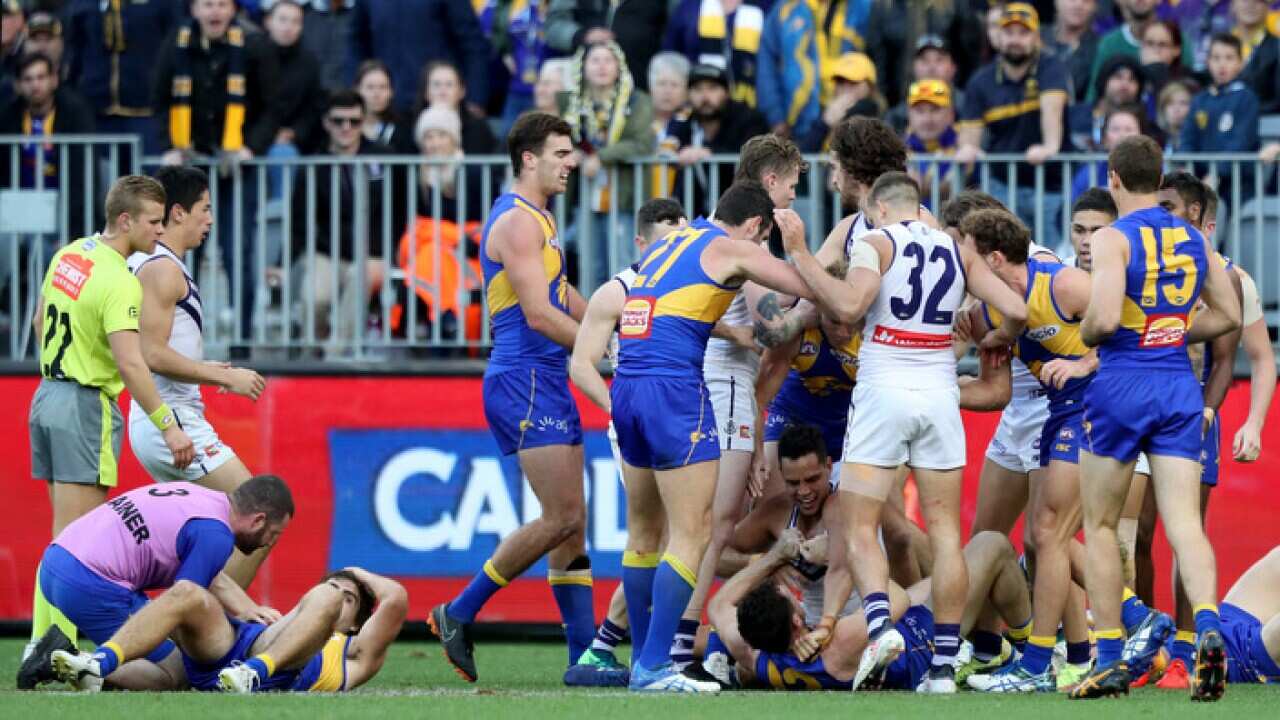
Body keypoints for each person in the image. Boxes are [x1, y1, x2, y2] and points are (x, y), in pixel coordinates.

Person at [780, 171, 1027, 694]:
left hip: (885, 385)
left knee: (859, 524)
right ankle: (941, 667)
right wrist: (991, 339)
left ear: (879, 208)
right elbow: (1018, 309)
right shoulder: (957, 251)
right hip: (939, 388)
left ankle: (877, 629)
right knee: (944, 533)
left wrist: (800, 252)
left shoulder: (875, 242)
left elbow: (847, 307)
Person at [609, 181, 814, 692]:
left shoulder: (672, 240)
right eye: (760, 238)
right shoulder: (731, 247)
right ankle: (656, 667)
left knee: (642, 535)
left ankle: (642, 661)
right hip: (673, 388)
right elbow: (805, 285)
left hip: (626, 383)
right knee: (693, 532)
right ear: (754, 227)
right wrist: (804, 248)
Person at [429, 113, 597, 685]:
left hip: (546, 375)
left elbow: (562, 295)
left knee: (575, 526)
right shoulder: (519, 224)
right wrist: (607, 352)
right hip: (525, 377)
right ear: (529, 158)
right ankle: (458, 611)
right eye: (560, 153)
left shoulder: (542, 218)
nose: (570, 162)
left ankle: (583, 660)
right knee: (562, 516)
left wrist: (611, 318)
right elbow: (538, 313)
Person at [1070, 134, 1240, 700]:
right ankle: (1208, 629)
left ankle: (1111, 658)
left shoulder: (1114, 239)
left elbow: (1096, 322)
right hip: (1176, 383)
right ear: (1158, 177)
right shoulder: (1192, 236)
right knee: (1185, 523)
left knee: (1098, 524)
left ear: (1113, 178)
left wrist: (1106, 329)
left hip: (1122, 381)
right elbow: (1229, 312)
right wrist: (1170, 329)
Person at [18, 175, 196, 685]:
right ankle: (46, 648)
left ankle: (44, 642)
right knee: (75, 545)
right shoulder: (120, 280)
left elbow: (37, 321)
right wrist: (169, 427)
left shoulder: (70, 255)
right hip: (85, 403)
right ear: (126, 221)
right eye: (154, 222)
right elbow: (133, 364)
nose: (161, 233)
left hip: (47, 394)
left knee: (62, 537)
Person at [957, 208, 1113, 693]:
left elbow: (1129, 326)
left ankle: (1044, 660)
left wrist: (1084, 364)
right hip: (1055, 414)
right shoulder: (993, 310)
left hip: (1094, 405)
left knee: (1051, 535)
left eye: (971, 264)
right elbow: (991, 386)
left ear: (996, 260)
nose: (966, 275)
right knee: (1045, 539)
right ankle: (1054, 654)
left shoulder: (1061, 284)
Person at [672, 135, 808, 672]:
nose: (795, 197)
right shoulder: (747, 242)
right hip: (725, 385)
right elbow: (773, 328)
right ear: (769, 182)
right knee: (716, 524)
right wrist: (824, 297)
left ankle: (677, 639)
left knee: (695, 524)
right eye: (793, 185)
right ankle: (681, 644)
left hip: (684, 380)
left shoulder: (700, 229)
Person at [127, 165, 267, 588]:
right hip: (171, 420)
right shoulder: (162, 268)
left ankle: (196, 627)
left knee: (206, 537)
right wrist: (221, 376)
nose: (210, 219)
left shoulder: (151, 263)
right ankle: (219, 630)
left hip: (167, 418)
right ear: (177, 213)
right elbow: (149, 352)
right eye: (204, 209)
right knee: (257, 514)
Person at [568, 197, 689, 685]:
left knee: (665, 538)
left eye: (680, 239)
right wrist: (617, 410)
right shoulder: (618, 289)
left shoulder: (690, 283)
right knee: (659, 537)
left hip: (681, 416)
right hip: (641, 423)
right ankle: (639, 652)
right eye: (664, 239)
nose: (673, 249)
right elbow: (580, 364)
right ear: (641, 242)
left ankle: (612, 648)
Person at [23, 476, 293, 691]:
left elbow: (209, 575)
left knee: (155, 635)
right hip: (89, 583)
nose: (269, 543)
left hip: (54, 562)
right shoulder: (216, 535)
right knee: (176, 673)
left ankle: (86, 666)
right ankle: (62, 658)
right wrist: (223, 642)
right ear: (258, 520)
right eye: (274, 534)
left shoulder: (201, 498)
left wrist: (245, 609)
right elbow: (184, 601)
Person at [707, 529, 1033, 693]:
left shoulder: (757, 656)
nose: (796, 596)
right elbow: (897, 597)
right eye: (790, 597)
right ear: (796, 620)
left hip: (906, 622)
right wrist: (837, 555)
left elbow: (719, 605)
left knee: (957, 564)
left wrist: (774, 557)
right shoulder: (838, 644)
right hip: (925, 637)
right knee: (993, 544)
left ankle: (989, 652)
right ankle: (1030, 651)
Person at [48, 567, 405, 694]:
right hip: (234, 648)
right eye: (335, 590)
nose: (335, 598)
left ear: (357, 622)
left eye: (349, 599)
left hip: (273, 668)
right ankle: (98, 662)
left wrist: (353, 572)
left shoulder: (353, 655)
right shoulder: (296, 614)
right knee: (189, 590)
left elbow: (396, 598)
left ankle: (255, 672)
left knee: (169, 677)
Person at [153, 0, 280, 352]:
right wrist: (169, 145)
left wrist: (250, 148)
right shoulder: (175, 43)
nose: (215, 12)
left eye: (222, 4)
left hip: (236, 170)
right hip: (188, 173)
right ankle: (178, 339)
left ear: (233, 10)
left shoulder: (254, 45)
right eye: (207, 4)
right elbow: (159, 100)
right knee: (179, 252)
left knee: (238, 251)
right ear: (194, 9)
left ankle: (242, 340)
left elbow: (272, 106)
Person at [287, 90, 399, 356]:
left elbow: (397, 210)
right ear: (327, 123)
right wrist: (282, 262)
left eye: (354, 121)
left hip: (373, 252)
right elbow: (299, 218)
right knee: (314, 298)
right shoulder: (314, 163)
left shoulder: (385, 157)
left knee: (361, 279)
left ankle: (332, 357)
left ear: (363, 121)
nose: (346, 128)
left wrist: (385, 252)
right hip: (327, 251)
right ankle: (313, 352)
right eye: (339, 121)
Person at [955, 3, 1071, 252]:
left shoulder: (1051, 67)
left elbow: (1052, 109)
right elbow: (969, 139)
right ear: (998, 37)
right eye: (1009, 33)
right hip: (1001, 185)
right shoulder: (980, 81)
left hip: (1048, 185)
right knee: (1004, 256)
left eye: (1023, 33)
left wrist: (1049, 146)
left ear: (1036, 37)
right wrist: (968, 149)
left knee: (1049, 257)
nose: (1015, 40)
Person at [558, 41, 655, 286]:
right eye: (595, 60)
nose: (602, 66)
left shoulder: (637, 101)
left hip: (622, 199)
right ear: (583, 67)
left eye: (608, 60)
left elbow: (642, 143)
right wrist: (574, 153)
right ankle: (595, 323)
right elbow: (558, 140)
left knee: (622, 267)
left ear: (619, 66)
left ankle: (624, 323)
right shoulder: (569, 104)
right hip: (586, 199)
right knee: (591, 269)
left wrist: (601, 156)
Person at [62, 0, 179, 154]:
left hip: (146, 113)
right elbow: (74, 56)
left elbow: (173, 52)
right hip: (97, 113)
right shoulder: (83, 5)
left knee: (144, 176)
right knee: (103, 175)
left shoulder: (161, 4)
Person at [347, 0, 490, 117]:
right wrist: (354, 94)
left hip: (436, 102)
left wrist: (475, 98)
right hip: (386, 103)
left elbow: (472, 44)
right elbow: (355, 42)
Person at [756, 0, 870, 140]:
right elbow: (766, 67)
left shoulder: (862, 6)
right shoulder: (786, 9)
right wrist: (775, 116)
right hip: (796, 121)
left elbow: (877, 57)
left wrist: (868, 92)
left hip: (850, 115)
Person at [670, 63, 768, 216]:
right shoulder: (684, 120)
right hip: (697, 216)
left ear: (727, 93)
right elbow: (668, 149)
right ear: (688, 95)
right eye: (698, 89)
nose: (705, 97)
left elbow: (755, 154)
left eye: (712, 88)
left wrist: (710, 153)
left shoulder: (748, 118)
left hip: (744, 215)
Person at [1181, 33, 1260, 205]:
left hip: (1237, 184)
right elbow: (1188, 138)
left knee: (1216, 210)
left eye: (1229, 58)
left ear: (1241, 63)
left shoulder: (1246, 98)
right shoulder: (1199, 100)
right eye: (1216, 58)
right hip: (1200, 181)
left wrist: (1216, 173)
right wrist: (1188, 170)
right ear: (1207, 62)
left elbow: (1241, 142)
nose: (1222, 64)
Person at [545, 0, 669, 92]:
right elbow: (552, 26)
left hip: (641, 84)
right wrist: (580, 35)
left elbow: (675, 31)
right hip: (583, 87)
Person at [661, 0, 768, 107]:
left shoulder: (765, 7)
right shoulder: (689, 8)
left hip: (750, 106)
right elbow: (670, 59)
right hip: (696, 105)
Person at [1088, 0, 1192, 104]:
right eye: (1150, 43)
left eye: (1161, 44)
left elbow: (1190, 90)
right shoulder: (1108, 44)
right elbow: (1093, 96)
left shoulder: (1176, 39)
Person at [262, 0, 324, 170]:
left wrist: (294, 132)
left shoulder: (309, 63)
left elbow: (313, 108)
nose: (288, 27)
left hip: (292, 142)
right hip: (252, 138)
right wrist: (267, 134)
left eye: (295, 22)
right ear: (268, 22)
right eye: (283, 20)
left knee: (283, 154)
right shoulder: (250, 56)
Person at [796, 52, 883, 152]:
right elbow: (803, 157)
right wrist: (824, 124)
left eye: (853, 82)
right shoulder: (823, 114)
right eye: (840, 81)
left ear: (869, 86)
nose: (845, 88)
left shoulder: (880, 115)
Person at [416, 61, 499, 156]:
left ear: (462, 91)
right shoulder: (411, 125)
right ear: (426, 92)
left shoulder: (477, 128)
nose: (443, 91)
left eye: (449, 84)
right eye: (437, 85)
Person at [884, 34, 962, 135]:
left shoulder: (969, 109)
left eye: (939, 60)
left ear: (953, 67)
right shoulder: (896, 117)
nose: (931, 67)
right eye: (924, 60)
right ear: (913, 67)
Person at [1071, 103, 1146, 203]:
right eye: (1115, 129)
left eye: (1129, 129)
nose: (1122, 135)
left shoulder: (1155, 169)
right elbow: (1073, 205)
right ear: (1105, 138)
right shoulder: (1090, 170)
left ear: (1141, 136)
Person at [1071, 54, 1145, 152]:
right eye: (1118, 77)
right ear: (1104, 80)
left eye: (1132, 79)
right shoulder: (1076, 115)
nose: (1125, 84)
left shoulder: (1145, 120)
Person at [904, 79, 959, 208]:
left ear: (951, 114)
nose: (927, 119)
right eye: (920, 111)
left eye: (935, 110)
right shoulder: (896, 151)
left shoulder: (965, 150)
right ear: (909, 115)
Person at [1043, 0, 1101, 104]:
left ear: (1095, 7)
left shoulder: (1100, 48)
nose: (1078, 5)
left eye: (1086, 1)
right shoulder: (1036, 38)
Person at [354, 60, 414, 153]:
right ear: (357, 90)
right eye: (370, 87)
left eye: (383, 87)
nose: (376, 94)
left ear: (391, 92)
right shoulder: (347, 126)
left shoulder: (404, 129)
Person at [1232, 0, 1280, 112]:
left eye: (1258, 0)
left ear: (1268, 6)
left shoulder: (1277, 48)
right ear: (1233, 5)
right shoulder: (1221, 45)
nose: (1250, 4)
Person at [1156, 80, 1194, 153]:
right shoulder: (1155, 139)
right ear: (1162, 108)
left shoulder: (1198, 140)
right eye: (1170, 103)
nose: (1176, 109)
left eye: (1183, 103)